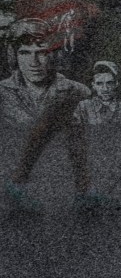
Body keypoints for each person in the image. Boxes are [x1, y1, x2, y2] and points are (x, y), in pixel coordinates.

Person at [1, 18, 113, 210]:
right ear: (15, 56)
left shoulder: (77, 91)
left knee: (67, 116)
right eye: (25, 53)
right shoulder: (3, 92)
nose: (34, 62)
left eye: (41, 53)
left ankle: (83, 191)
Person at [73, 61, 121, 126]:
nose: (105, 89)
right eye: (99, 84)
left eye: (109, 83)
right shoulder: (83, 107)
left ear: (116, 84)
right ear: (93, 85)